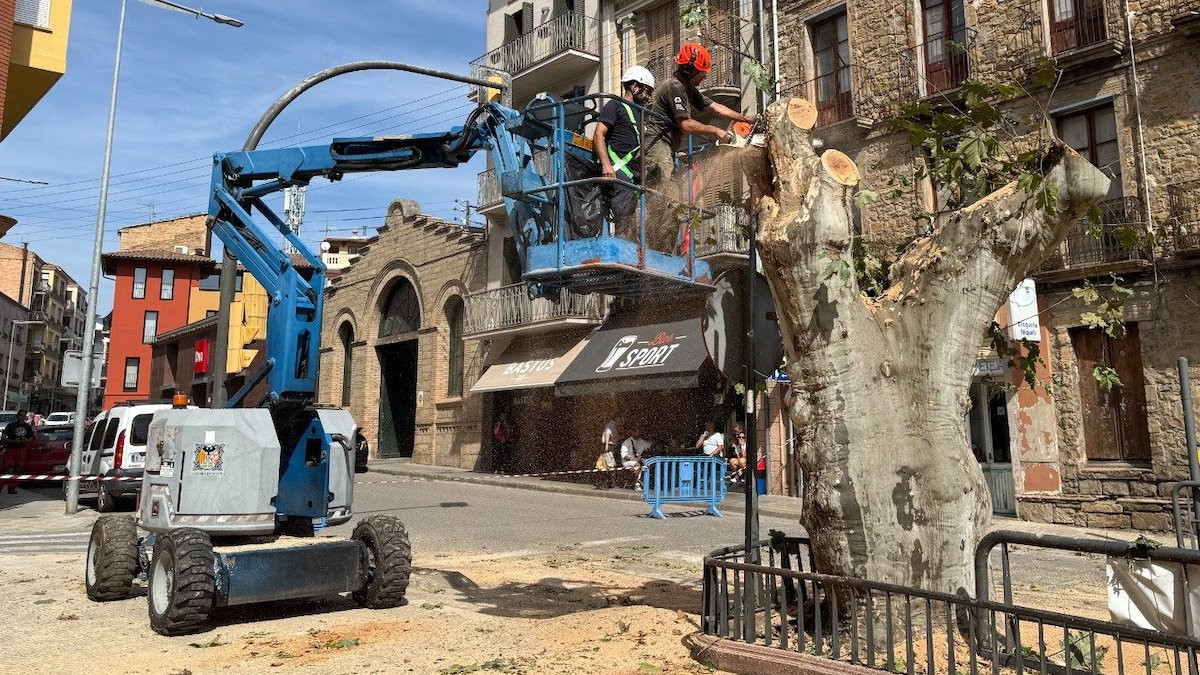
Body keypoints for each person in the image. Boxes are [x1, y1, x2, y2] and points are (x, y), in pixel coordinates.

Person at [643, 42, 757, 252]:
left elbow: (715, 107)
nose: (705, 77)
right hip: (657, 145)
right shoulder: (674, 87)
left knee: (676, 203)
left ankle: (663, 252)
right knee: (669, 197)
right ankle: (653, 247)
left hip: (668, 148)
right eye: (702, 73)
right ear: (689, 70)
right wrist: (715, 131)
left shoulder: (687, 89)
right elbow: (685, 124)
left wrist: (744, 118)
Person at [593, 65, 656, 240]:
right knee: (625, 220)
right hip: (618, 169)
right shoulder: (615, 105)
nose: (649, 96)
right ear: (634, 86)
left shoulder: (641, 114)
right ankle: (622, 249)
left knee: (642, 219)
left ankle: (634, 249)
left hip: (635, 175)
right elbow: (598, 134)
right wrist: (606, 165)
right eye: (647, 91)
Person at [1, 410, 35, 494]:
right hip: (10, 449)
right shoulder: (10, 426)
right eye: (20, 415)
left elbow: (31, 438)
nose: (21, 417)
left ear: (25, 417)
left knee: (18, 469)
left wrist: (26, 440)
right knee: (6, 469)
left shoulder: (27, 427)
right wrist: (12, 441)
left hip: (21, 449)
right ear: (17, 416)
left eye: (23, 416)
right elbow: (3, 437)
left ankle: (12, 487)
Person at [492, 408, 514, 474]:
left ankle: (503, 468)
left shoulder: (505, 424)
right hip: (498, 441)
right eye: (501, 416)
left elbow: (509, 431)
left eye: (503, 416)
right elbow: (495, 432)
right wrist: (499, 425)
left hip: (504, 441)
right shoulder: (497, 424)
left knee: (504, 456)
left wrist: (505, 424)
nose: (502, 417)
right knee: (497, 456)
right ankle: (497, 468)